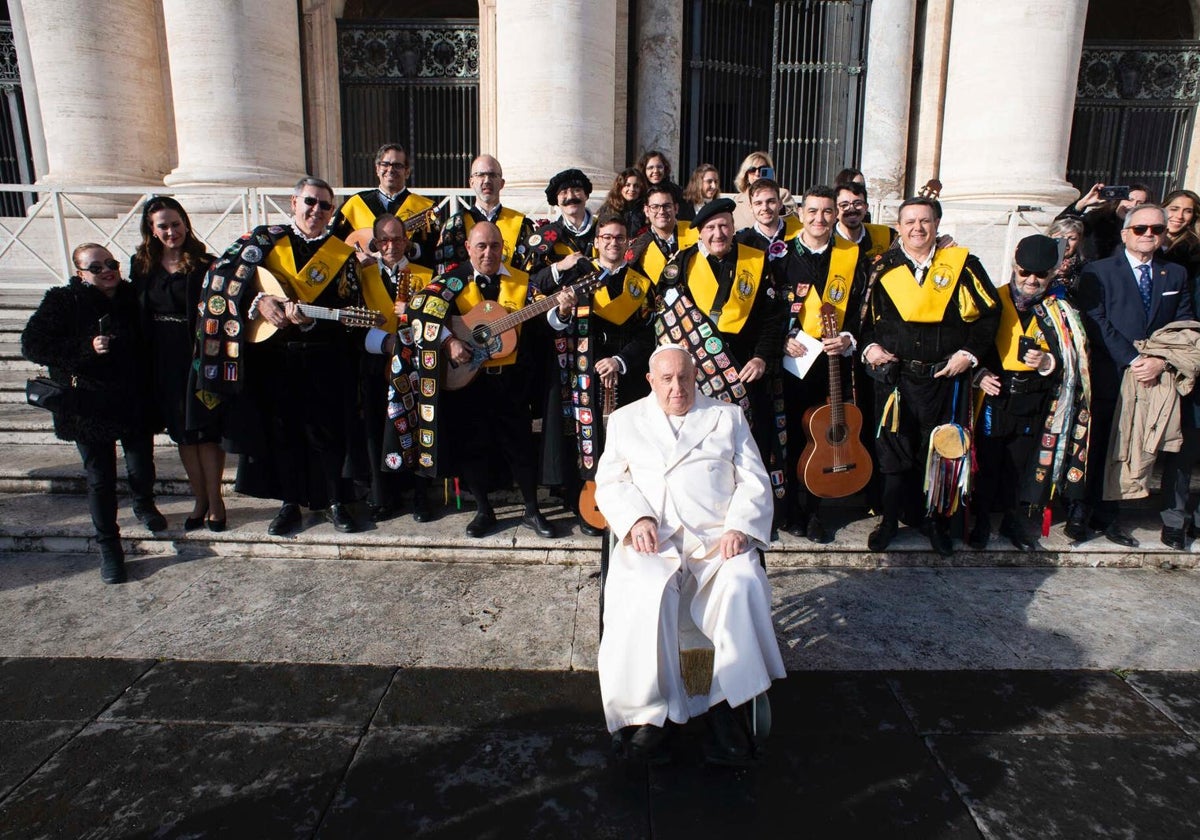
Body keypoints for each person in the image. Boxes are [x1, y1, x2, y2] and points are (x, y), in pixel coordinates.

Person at [595, 344, 786, 766]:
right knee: (643, 590)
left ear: (695, 375)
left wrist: (739, 526)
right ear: (651, 380)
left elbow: (754, 480)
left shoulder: (727, 416)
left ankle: (725, 704)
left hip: (716, 541)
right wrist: (636, 518)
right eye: (666, 380)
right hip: (654, 541)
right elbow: (608, 483)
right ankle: (648, 712)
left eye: (684, 378)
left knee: (742, 582)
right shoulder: (626, 420)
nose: (677, 388)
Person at [195, 177, 365, 536]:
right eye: (310, 202)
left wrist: (309, 324)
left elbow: (352, 310)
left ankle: (335, 500)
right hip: (274, 358)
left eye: (324, 205)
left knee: (329, 433)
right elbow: (219, 279)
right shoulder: (263, 240)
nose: (316, 210)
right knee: (283, 432)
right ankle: (290, 503)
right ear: (293, 202)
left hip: (325, 357)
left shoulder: (342, 254)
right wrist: (260, 301)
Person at [391, 221, 568, 539]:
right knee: (473, 447)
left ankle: (531, 510)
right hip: (469, 381)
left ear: (503, 248)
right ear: (469, 249)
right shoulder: (452, 281)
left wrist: (563, 308)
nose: (489, 252)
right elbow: (418, 311)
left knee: (520, 446)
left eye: (495, 246)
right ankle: (484, 510)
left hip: (511, 380)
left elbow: (547, 318)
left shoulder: (522, 282)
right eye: (482, 246)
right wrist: (448, 341)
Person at [860, 196, 1001, 555]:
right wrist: (870, 348)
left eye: (924, 221)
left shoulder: (963, 265)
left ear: (937, 224)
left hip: (944, 378)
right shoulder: (881, 268)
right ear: (899, 226)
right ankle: (890, 520)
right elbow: (859, 322)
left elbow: (988, 316)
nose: (917, 228)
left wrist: (968, 355)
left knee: (939, 452)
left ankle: (935, 523)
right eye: (909, 222)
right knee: (892, 453)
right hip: (896, 379)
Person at [22, 244, 165, 584]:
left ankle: (144, 503)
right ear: (80, 274)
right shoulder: (64, 300)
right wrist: (86, 348)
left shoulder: (133, 296)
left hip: (133, 399)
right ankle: (110, 547)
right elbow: (32, 344)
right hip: (88, 405)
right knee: (100, 478)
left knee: (141, 464)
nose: (106, 270)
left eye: (111, 263)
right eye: (96, 267)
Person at [1074, 204, 1195, 547]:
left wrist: (1158, 359)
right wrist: (1132, 357)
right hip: (1111, 373)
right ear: (1126, 233)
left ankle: (1110, 516)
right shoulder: (1099, 271)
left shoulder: (1174, 274)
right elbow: (1095, 318)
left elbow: (1183, 323)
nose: (1149, 235)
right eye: (1140, 229)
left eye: (1156, 229)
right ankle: (1080, 512)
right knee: (1096, 445)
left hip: (1153, 376)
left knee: (1130, 447)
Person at [658, 197, 788, 505]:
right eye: (711, 228)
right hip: (698, 375)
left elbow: (773, 318)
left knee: (751, 443)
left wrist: (761, 356)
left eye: (725, 226)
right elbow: (667, 325)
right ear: (700, 232)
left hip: (747, 369)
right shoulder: (680, 266)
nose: (719, 234)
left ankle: (754, 506)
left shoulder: (755, 261)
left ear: (733, 228)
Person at [539, 212, 657, 535]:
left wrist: (619, 360)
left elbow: (649, 335)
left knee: (628, 441)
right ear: (596, 242)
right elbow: (553, 324)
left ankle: (629, 508)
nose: (612, 243)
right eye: (606, 237)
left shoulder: (641, 283)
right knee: (589, 441)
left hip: (627, 376)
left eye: (619, 238)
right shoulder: (578, 276)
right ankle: (591, 505)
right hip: (584, 373)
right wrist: (562, 311)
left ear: (628, 243)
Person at [971, 234, 1091, 551]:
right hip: (995, 397)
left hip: (1035, 398)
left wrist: (1048, 361)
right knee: (988, 461)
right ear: (1014, 266)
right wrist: (979, 374)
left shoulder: (1060, 310)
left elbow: (1073, 358)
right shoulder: (992, 299)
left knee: (1022, 464)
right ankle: (980, 520)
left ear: (1052, 273)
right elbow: (971, 346)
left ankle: (1013, 521)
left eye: (1040, 274)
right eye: (1025, 272)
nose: (1031, 280)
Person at [775, 185, 869, 542]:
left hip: (832, 361)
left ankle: (815, 511)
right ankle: (789, 509)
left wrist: (848, 338)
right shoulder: (780, 256)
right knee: (792, 436)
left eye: (827, 212)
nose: (820, 219)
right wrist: (782, 340)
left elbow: (862, 308)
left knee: (826, 435)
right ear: (800, 213)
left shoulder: (851, 256)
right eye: (812, 211)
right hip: (791, 362)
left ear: (836, 214)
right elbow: (769, 310)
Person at [129, 196, 223, 532]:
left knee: (206, 432)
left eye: (176, 223)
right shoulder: (141, 267)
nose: (171, 231)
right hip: (162, 359)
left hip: (198, 357)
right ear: (152, 231)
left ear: (186, 223)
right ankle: (200, 499)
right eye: (163, 226)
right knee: (183, 435)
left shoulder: (206, 263)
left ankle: (216, 501)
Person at [358, 214, 435, 522]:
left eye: (398, 239)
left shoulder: (426, 275)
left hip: (415, 365)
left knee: (419, 427)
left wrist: (414, 313)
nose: (391, 246)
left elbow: (437, 320)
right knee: (377, 428)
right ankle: (383, 496)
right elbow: (353, 319)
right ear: (375, 243)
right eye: (384, 240)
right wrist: (384, 341)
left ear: (407, 241)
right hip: (377, 360)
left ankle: (420, 495)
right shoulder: (362, 275)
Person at [331, 142, 437, 267]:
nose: (390, 169)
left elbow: (436, 252)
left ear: (407, 172)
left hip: (410, 281)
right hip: (366, 281)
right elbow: (333, 245)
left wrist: (412, 248)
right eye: (385, 164)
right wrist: (356, 257)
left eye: (397, 165)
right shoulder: (354, 204)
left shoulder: (425, 208)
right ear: (377, 169)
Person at [435, 154, 534, 272]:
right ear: (471, 182)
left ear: (502, 183)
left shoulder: (521, 225)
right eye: (480, 175)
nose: (487, 181)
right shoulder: (455, 226)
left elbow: (530, 271)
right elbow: (444, 271)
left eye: (492, 175)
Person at [515, 168, 598, 278]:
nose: (571, 196)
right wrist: (559, 266)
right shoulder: (545, 236)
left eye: (577, 190)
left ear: (586, 195)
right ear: (556, 201)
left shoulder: (605, 229)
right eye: (564, 192)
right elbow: (533, 280)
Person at [1056, 182, 1152, 262]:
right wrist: (1082, 204)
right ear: (1119, 200)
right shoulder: (1096, 218)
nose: (1133, 205)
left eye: (1140, 203)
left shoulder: (1144, 230)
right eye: (1129, 200)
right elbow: (1060, 227)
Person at [734, 177, 802, 290]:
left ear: (780, 204)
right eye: (758, 203)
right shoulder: (741, 242)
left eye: (771, 201)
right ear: (751, 207)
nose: (765, 208)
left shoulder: (800, 236)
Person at [626, 183, 696, 284]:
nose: (661, 211)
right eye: (655, 207)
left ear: (676, 208)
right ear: (646, 210)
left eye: (667, 206)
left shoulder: (696, 232)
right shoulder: (639, 247)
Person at [731, 150, 795, 231]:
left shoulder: (782, 195)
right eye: (752, 170)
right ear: (746, 174)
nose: (757, 173)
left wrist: (780, 209)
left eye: (762, 169)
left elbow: (795, 220)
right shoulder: (737, 200)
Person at [834, 180, 896, 260]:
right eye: (844, 205)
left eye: (858, 203)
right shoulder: (825, 241)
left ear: (866, 207)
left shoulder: (887, 235)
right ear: (835, 210)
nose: (852, 209)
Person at [1161, 188, 1200, 280]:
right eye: (1174, 209)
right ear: (1162, 209)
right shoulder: (1145, 237)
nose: (1179, 216)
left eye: (1188, 211)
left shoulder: (1194, 251)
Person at [599, 168, 648, 239]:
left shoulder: (646, 209)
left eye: (636, 186)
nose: (632, 189)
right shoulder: (609, 208)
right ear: (620, 187)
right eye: (627, 185)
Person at [1047, 216, 1087, 295]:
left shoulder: (1084, 266)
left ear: (1079, 241)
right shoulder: (1038, 259)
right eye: (1061, 237)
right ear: (1050, 237)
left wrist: (1069, 277)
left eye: (1072, 238)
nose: (1066, 244)